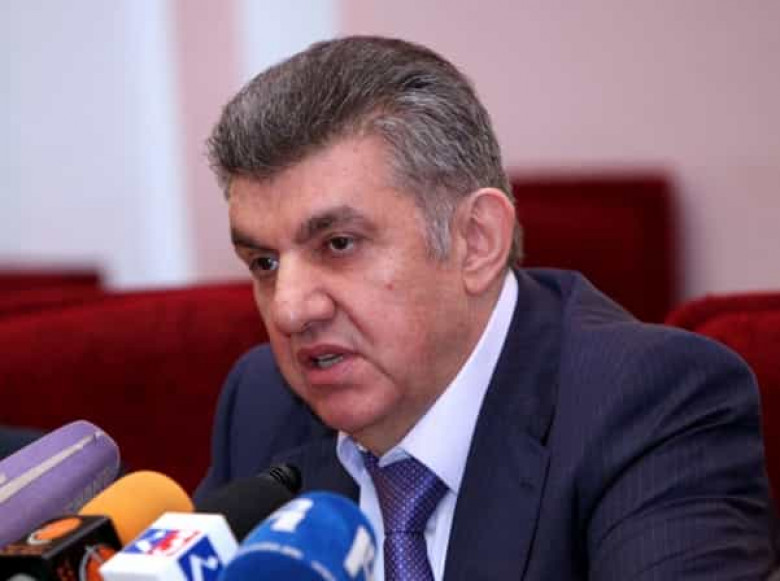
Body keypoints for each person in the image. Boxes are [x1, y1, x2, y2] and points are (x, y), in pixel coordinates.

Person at [195, 36, 775, 579]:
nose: (290, 310)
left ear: (476, 241)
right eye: (264, 262)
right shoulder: (264, 404)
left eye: (339, 244)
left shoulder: (647, 402)